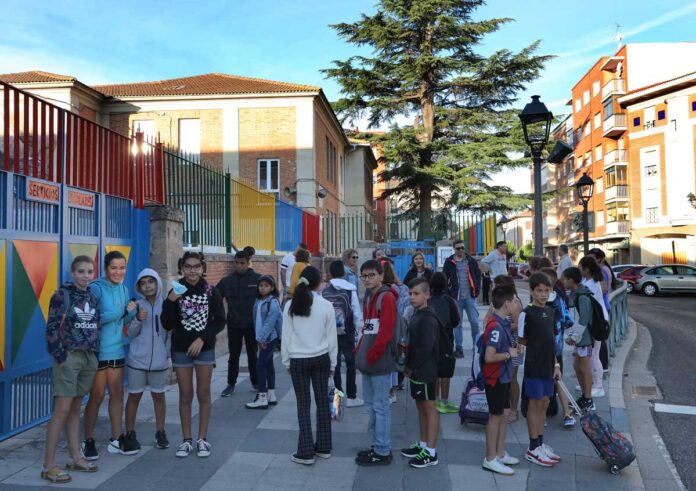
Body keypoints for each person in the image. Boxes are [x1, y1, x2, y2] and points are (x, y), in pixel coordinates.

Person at [42, 256, 100, 483]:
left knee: (76, 408)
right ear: (72, 273)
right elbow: (52, 328)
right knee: (62, 410)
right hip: (69, 357)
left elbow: (96, 326)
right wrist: (61, 356)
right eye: (81, 271)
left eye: (89, 271)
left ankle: (76, 457)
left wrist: (94, 354)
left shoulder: (93, 298)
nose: (86, 275)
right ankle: (49, 465)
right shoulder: (60, 296)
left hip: (88, 358)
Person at [162, 252, 225, 458]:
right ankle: (186, 440)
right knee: (185, 394)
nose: (192, 270)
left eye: (196, 266)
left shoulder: (210, 290)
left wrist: (202, 339)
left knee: (204, 393)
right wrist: (170, 301)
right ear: (182, 268)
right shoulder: (176, 289)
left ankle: (202, 439)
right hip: (181, 349)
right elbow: (166, 323)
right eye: (188, 266)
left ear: (202, 267)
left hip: (204, 349)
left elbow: (220, 320)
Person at [82, 251, 138, 460]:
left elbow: (123, 321)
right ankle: (88, 440)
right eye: (113, 267)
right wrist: (120, 312)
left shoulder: (124, 289)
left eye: (122, 267)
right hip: (98, 352)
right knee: (96, 397)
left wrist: (131, 312)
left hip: (116, 350)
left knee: (117, 395)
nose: (118, 272)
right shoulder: (96, 288)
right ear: (105, 269)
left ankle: (116, 439)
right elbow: (91, 318)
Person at [281, 266, 338, 465]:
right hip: (321, 358)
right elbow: (332, 339)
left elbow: (286, 337)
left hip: (298, 360)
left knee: (303, 405)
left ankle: (305, 452)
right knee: (323, 403)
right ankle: (324, 447)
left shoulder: (290, 305)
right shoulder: (326, 305)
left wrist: (286, 361)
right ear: (318, 283)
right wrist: (333, 364)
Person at [355, 259, 397, 466]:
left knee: (380, 406)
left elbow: (386, 332)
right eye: (364, 276)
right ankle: (377, 444)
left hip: (378, 361)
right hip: (368, 359)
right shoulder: (368, 297)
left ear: (381, 276)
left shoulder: (386, 297)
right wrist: (359, 350)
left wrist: (372, 355)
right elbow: (367, 328)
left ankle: (382, 450)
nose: (368, 279)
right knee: (371, 405)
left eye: (372, 275)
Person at [518, 273, 562, 467]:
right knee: (534, 405)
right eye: (539, 291)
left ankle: (540, 443)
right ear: (532, 291)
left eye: (547, 290)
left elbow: (551, 341)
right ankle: (533, 447)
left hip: (548, 367)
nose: (543, 294)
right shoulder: (526, 313)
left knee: (544, 403)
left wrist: (556, 365)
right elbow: (521, 340)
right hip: (534, 367)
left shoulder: (551, 311)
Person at [125, 269, 170, 452]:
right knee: (134, 396)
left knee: (159, 396)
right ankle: (130, 433)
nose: (147, 286)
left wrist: (167, 356)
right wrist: (137, 318)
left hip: (159, 361)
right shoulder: (136, 305)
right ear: (139, 287)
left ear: (158, 283)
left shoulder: (167, 305)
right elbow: (130, 332)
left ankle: (160, 432)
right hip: (137, 361)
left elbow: (170, 333)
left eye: (151, 281)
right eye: (143, 283)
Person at [399, 278, 440, 468]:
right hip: (416, 371)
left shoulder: (429, 317)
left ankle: (431, 452)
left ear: (427, 295)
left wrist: (412, 367)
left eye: (416, 294)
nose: (412, 297)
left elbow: (425, 348)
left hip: (426, 371)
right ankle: (423, 444)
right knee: (420, 407)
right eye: (410, 293)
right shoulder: (417, 314)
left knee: (429, 408)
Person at [481, 284, 521, 475]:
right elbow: (489, 356)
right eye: (514, 301)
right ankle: (490, 458)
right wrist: (508, 354)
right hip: (495, 378)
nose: (516, 304)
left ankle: (500, 452)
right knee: (495, 416)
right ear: (506, 303)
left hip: (503, 377)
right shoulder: (496, 326)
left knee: (504, 413)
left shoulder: (501, 321)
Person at [217, 250, 261, 397]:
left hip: (251, 324)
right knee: (233, 356)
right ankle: (230, 384)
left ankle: (256, 382)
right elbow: (215, 299)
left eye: (242, 263)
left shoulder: (257, 279)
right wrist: (220, 318)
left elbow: (269, 297)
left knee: (252, 355)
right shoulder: (227, 281)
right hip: (234, 324)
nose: (239, 266)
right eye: (237, 263)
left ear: (248, 263)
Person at [323, 261, 364, 407]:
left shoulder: (325, 290)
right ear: (344, 273)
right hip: (347, 331)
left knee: (335, 365)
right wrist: (359, 330)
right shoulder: (350, 290)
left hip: (330, 332)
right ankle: (352, 397)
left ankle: (337, 398)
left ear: (330, 273)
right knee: (350, 362)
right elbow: (357, 312)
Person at [483, 275, 523, 423]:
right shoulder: (497, 302)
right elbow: (487, 321)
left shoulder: (515, 302)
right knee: (502, 377)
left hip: (512, 343)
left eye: (496, 284)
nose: (493, 286)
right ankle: (503, 407)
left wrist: (502, 326)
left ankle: (513, 409)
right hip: (499, 343)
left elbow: (518, 325)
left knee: (511, 377)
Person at [540, 267, 576, 428]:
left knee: (544, 381)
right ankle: (567, 413)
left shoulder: (538, 302)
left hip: (542, 349)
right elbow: (568, 320)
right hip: (557, 347)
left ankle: (542, 415)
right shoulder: (559, 300)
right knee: (559, 380)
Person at [562, 267, 596, 414]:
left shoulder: (582, 297)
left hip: (585, 338)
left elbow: (584, 320)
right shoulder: (577, 294)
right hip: (580, 338)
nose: (562, 281)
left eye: (564, 278)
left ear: (571, 280)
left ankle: (589, 400)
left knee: (584, 367)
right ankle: (584, 397)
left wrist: (574, 337)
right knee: (578, 367)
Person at [246, 275, 282, 409]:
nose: (263, 288)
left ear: (272, 288)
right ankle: (271, 395)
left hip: (268, 338)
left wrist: (261, 338)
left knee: (260, 366)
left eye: (266, 286)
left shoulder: (273, 302)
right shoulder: (258, 300)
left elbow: (270, 322)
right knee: (268, 365)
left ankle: (262, 397)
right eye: (261, 285)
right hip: (262, 337)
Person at [442, 239, 482, 358]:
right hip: (456, 298)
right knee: (458, 324)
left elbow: (478, 275)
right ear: (454, 249)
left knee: (474, 322)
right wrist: (449, 294)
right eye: (458, 248)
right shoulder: (449, 262)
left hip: (470, 297)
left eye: (462, 248)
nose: (461, 250)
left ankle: (476, 346)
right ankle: (459, 348)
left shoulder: (471, 260)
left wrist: (477, 290)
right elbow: (445, 278)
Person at [427, 272, 460, 414]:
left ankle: (434, 400)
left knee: (434, 371)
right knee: (445, 372)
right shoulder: (449, 300)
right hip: (446, 340)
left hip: (430, 340)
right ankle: (444, 402)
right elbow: (456, 320)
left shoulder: (427, 300)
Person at [578, 256, 608, 398]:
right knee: (589, 356)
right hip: (595, 321)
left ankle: (598, 386)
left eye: (581, 268)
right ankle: (589, 383)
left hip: (597, 322)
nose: (579, 270)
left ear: (587, 269)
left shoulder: (591, 285)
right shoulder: (588, 281)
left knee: (594, 355)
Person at [382, 261, 409, 402]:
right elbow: (406, 306)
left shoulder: (382, 289)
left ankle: (389, 390)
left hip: (386, 326)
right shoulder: (401, 287)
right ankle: (394, 389)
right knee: (397, 355)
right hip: (398, 324)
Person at [587, 248, 615, 372]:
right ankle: (602, 367)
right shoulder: (603, 269)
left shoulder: (601, 271)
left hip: (600, 308)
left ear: (599, 259)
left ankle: (603, 366)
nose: (590, 260)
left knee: (599, 340)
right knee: (600, 339)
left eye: (592, 258)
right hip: (602, 306)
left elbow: (602, 289)